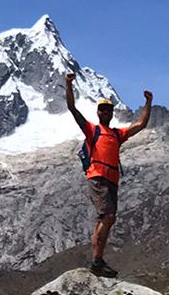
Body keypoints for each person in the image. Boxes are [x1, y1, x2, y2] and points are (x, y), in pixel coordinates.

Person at [64, 72, 151, 278]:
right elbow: (71, 108)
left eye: (108, 109)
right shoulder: (91, 130)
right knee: (108, 216)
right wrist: (68, 84)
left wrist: (148, 102)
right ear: (98, 112)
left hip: (112, 181)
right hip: (98, 177)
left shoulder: (116, 135)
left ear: (111, 113)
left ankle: (98, 260)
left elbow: (141, 125)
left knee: (104, 219)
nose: (105, 112)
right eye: (102, 109)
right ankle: (96, 261)